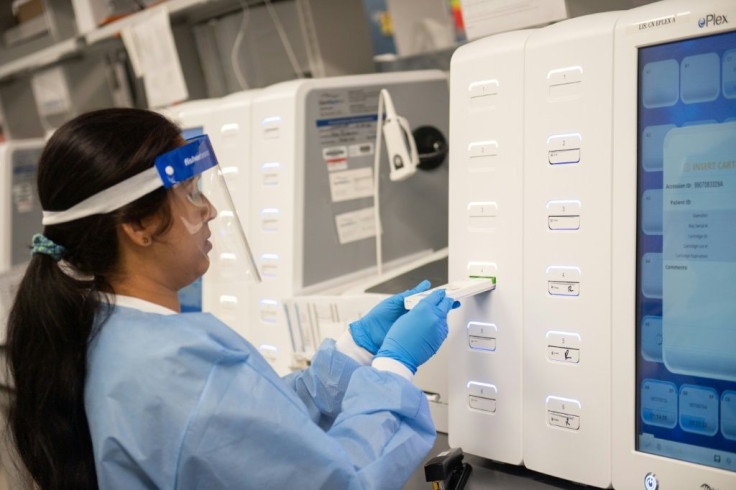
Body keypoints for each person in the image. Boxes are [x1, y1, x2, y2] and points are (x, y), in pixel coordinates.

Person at [6, 108, 458, 490]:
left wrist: (354, 351)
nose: (209, 210)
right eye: (189, 193)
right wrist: (394, 369)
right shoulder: (170, 367)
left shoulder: (109, 328)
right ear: (138, 227)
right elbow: (336, 482)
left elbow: (254, 437)